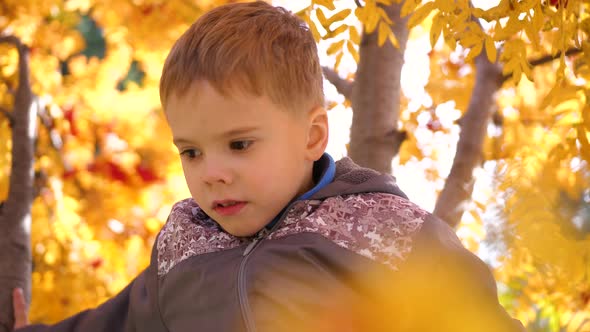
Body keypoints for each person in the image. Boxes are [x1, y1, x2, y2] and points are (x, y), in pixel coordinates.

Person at [8, 1, 525, 331]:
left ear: (312, 135)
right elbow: (114, 325)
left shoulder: (388, 232)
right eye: (191, 151)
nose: (211, 171)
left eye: (239, 144)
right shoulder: (183, 247)